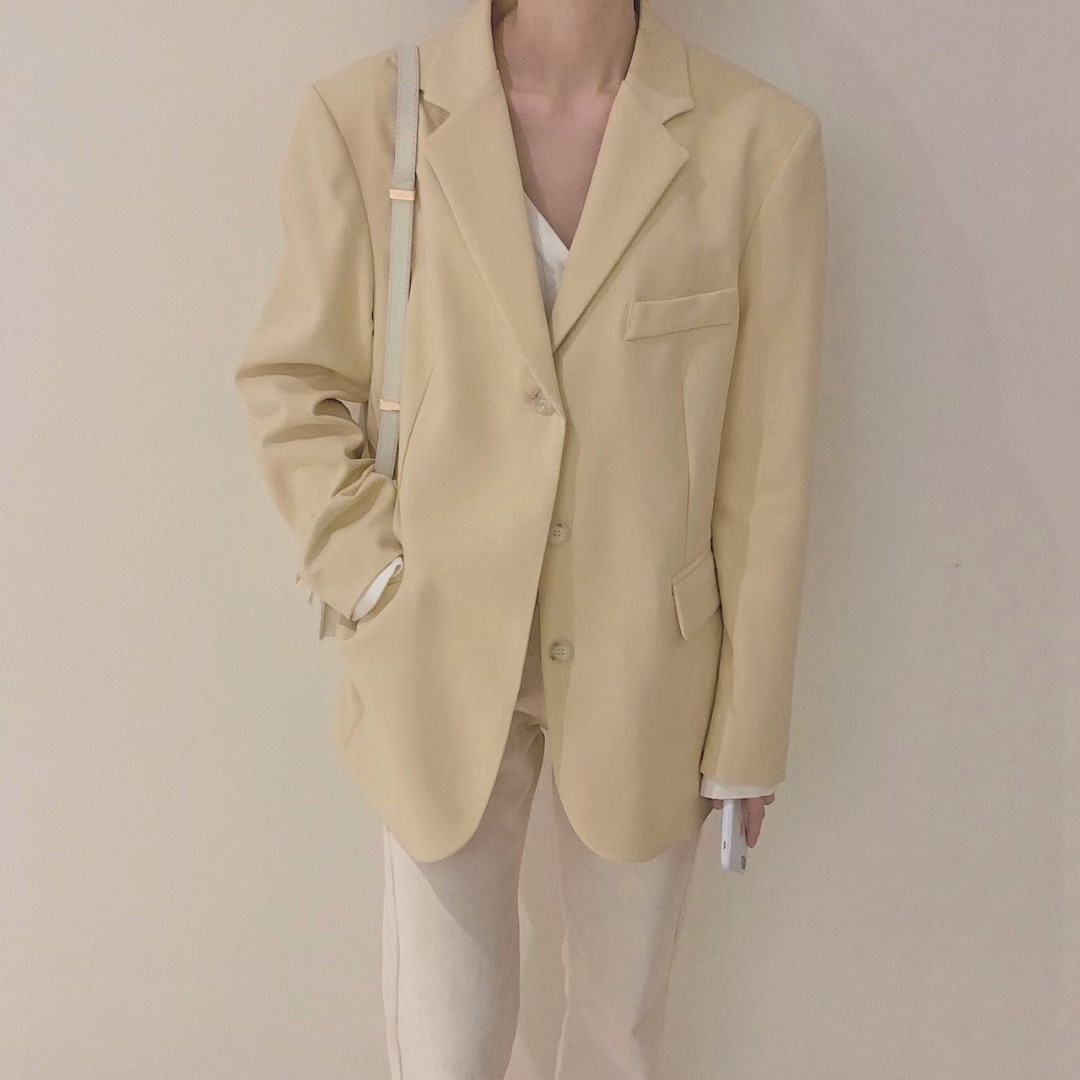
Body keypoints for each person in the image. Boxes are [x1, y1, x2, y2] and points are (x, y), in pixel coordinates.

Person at [234, 0, 827, 1075]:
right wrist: (371, 580)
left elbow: (768, 468)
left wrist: (750, 729)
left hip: (651, 668)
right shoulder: (368, 117)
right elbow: (292, 383)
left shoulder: (759, 144)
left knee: (620, 1036)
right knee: (444, 1042)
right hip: (433, 653)